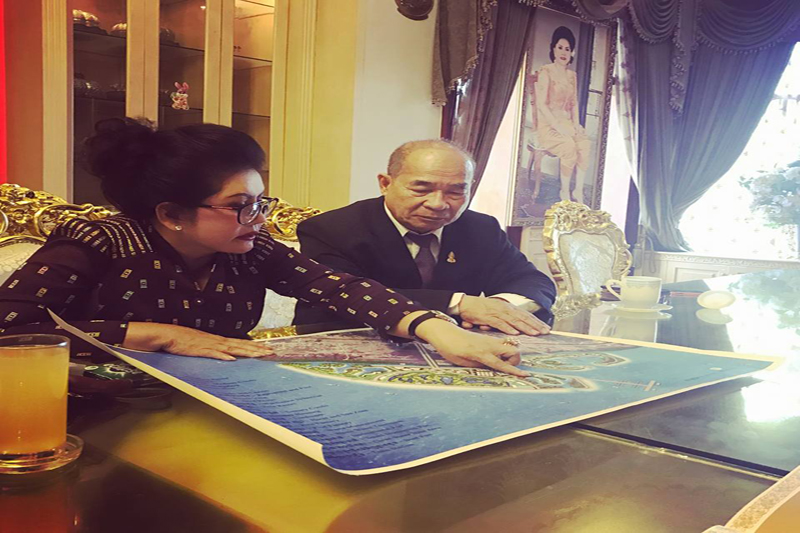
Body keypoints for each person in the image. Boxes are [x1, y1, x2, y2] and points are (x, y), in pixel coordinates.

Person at [0, 119, 529, 377]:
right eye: (240, 206)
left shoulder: (251, 249)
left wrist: (438, 330)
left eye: (260, 202)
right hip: (94, 417)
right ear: (172, 214)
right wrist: (159, 334)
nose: (260, 219)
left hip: (215, 400)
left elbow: (339, 289)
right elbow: (11, 330)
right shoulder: (99, 242)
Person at [294, 139, 556, 335]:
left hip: (460, 351)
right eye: (421, 189)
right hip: (354, 348)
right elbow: (342, 297)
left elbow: (533, 281)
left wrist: (499, 307)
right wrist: (459, 305)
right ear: (385, 184)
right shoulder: (331, 229)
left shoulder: (480, 228)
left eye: (455, 192)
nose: (438, 204)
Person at [534, 25, 592, 203]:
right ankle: (564, 191)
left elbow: (574, 104)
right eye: (560, 47)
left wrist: (576, 124)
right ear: (553, 49)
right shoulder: (546, 72)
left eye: (567, 49)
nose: (563, 52)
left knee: (584, 143)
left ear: (572, 52)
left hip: (566, 123)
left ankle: (578, 191)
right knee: (568, 146)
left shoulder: (571, 75)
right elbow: (541, 105)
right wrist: (558, 127)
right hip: (548, 125)